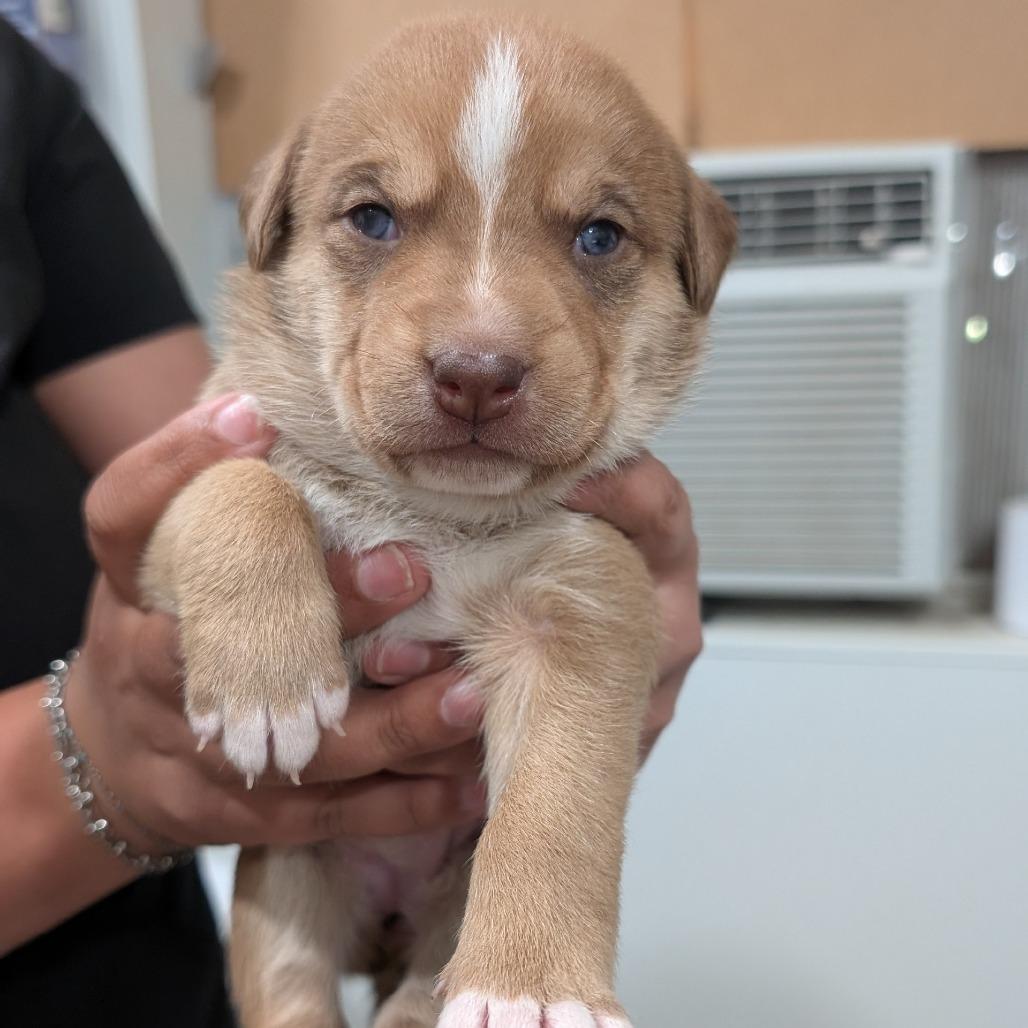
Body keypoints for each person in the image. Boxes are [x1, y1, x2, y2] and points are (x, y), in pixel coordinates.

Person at [0, 17, 703, 1027]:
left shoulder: (27, 110)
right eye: (374, 219)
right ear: (274, 239)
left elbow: (163, 447)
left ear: (692, 277)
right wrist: (243, 526)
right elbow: (190, 499)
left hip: (457, 856)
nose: (480, 339)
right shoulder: (293, 414)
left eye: (597, 236)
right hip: (234, 889)